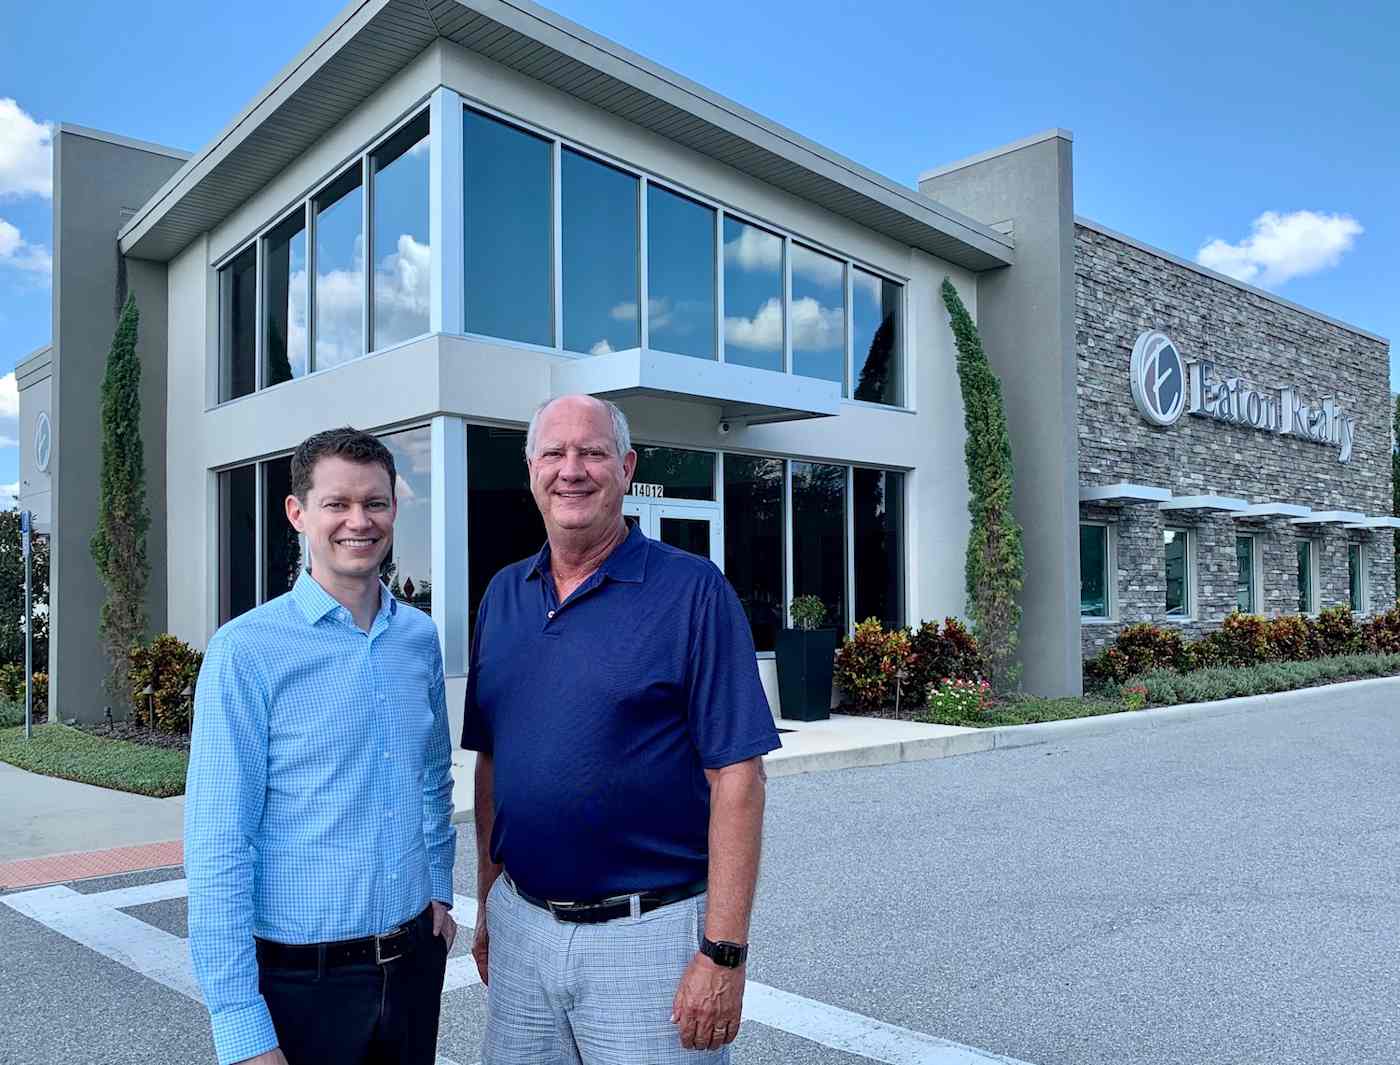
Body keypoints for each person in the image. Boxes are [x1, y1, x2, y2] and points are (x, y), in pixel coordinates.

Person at [462, 395, 781, 1063]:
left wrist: (723, 952)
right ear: (530, 470)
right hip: (522, 928)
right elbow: (493, 767)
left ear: (626, 467)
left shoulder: (693, 593)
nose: (571, 469)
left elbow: (739, 779)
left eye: (592, 452)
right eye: (553, 452)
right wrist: (489, 905)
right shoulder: (502, 597)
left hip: (648, 939)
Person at [185, 427, 457, 1065]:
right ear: (298, 513)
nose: (358, 521)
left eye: (376, 503)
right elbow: (219, 843)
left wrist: (440, 890)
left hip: (414, 965)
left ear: (395, 509)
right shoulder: (245, 651)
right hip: (302, 985)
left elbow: (431, 776)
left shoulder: (418, 639)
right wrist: (240, 1025)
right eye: (337, 504)